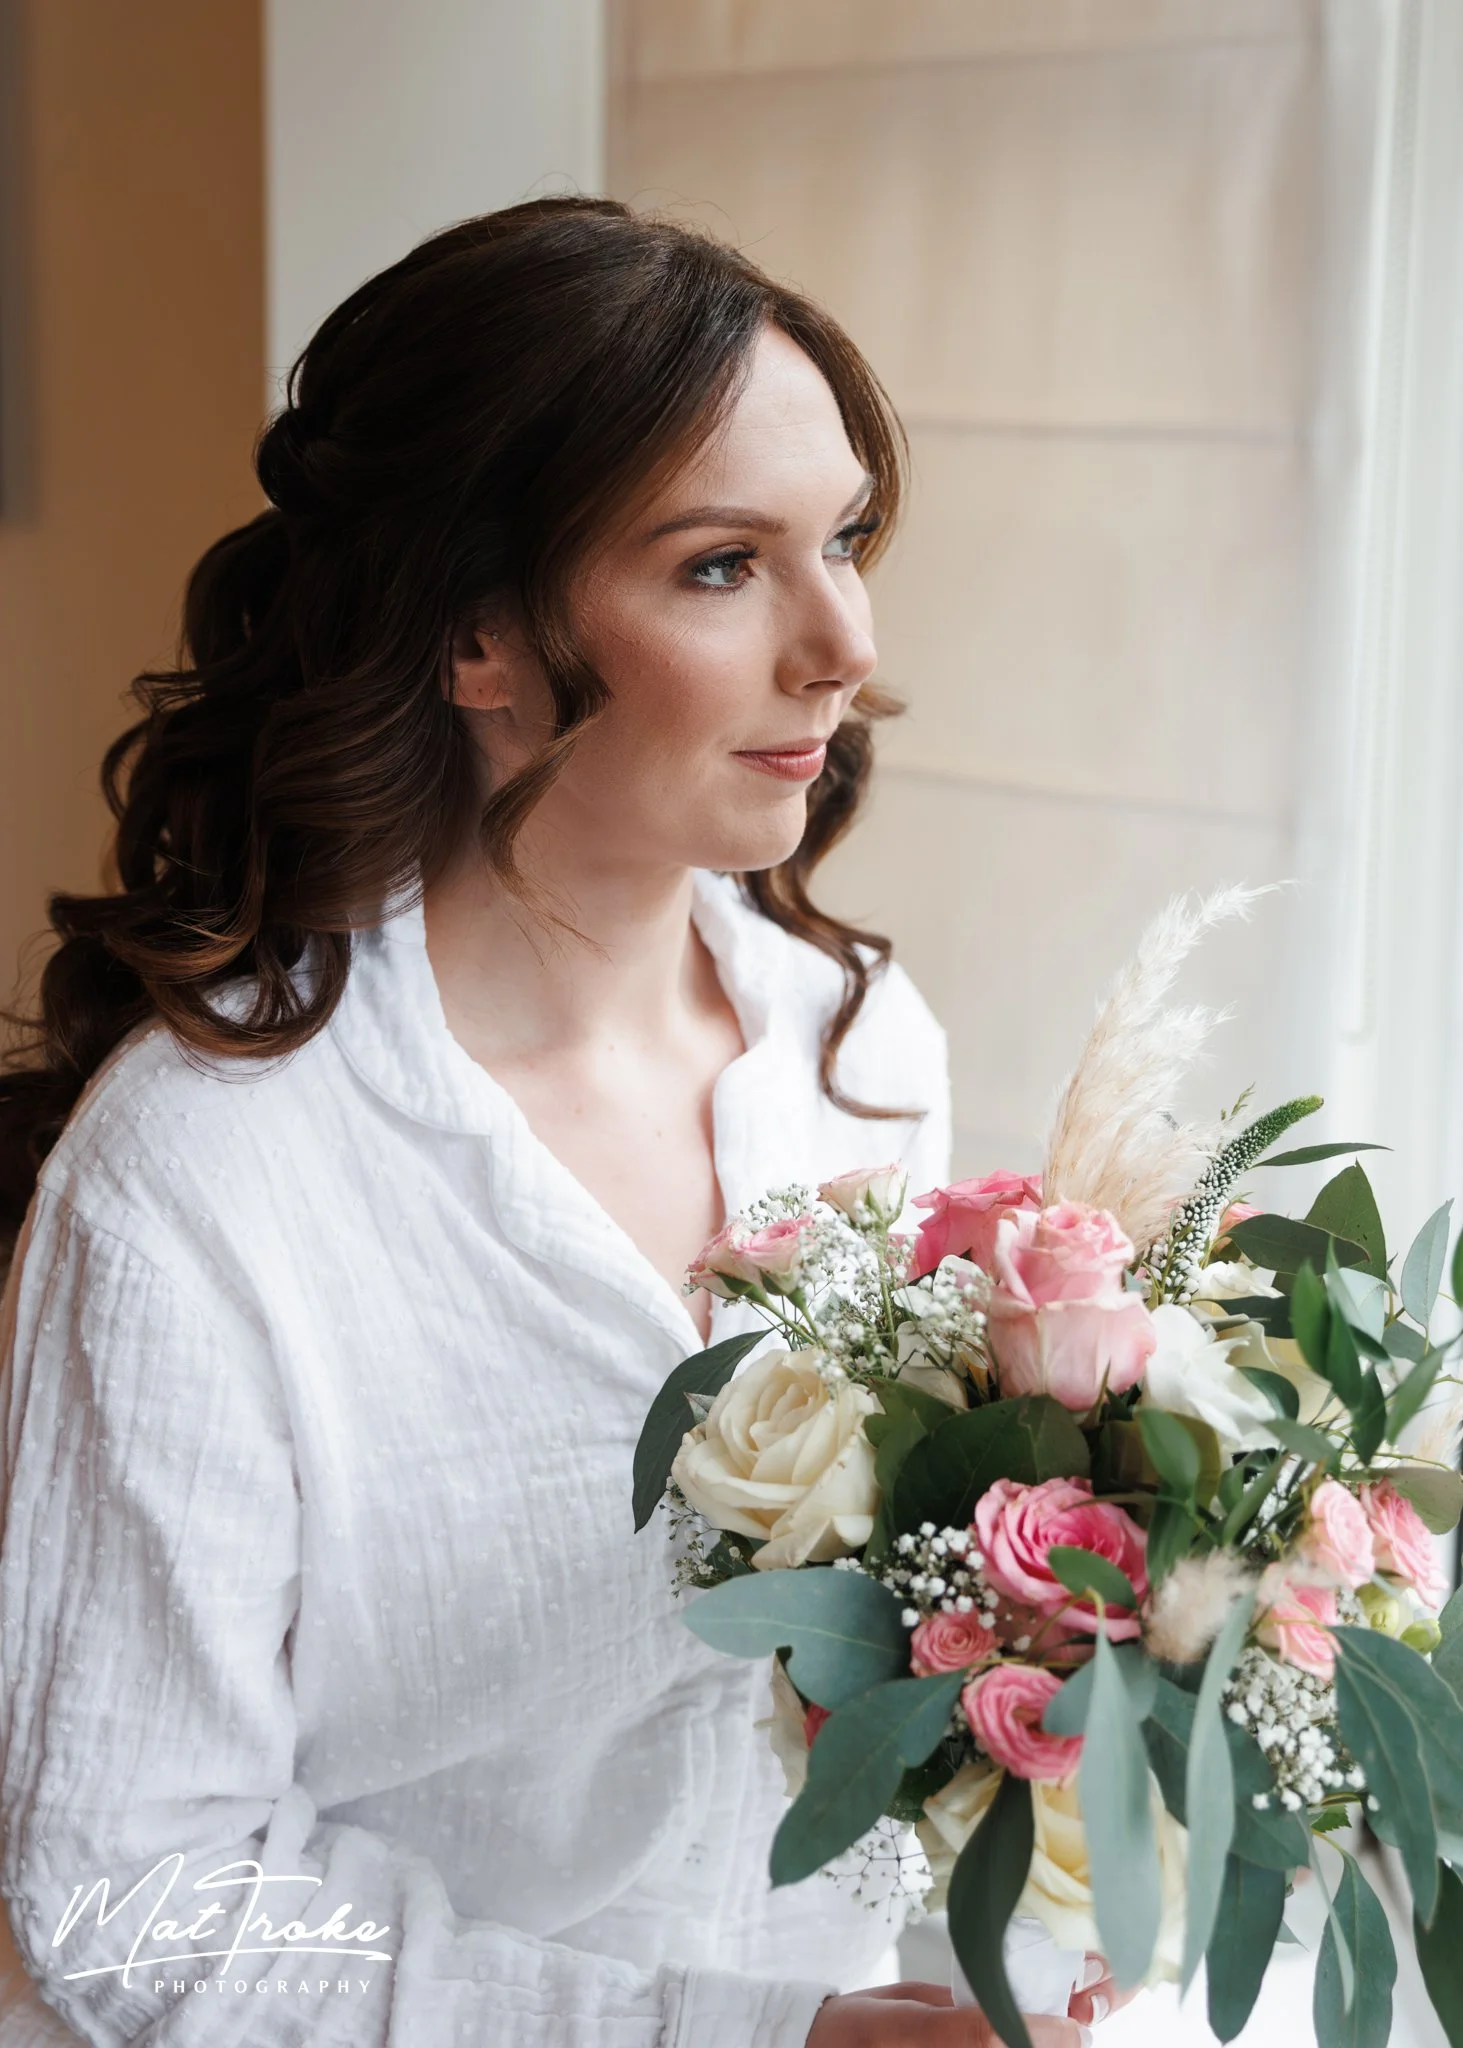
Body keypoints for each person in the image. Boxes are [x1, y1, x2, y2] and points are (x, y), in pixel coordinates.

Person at [0, 199, 1101, 2046]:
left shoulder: (858, 1056)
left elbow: (848, 1696)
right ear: (475, 638)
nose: (843, 643)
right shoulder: (202, 1183)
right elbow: (131, 1908)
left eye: (843, 539)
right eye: (720, 567)